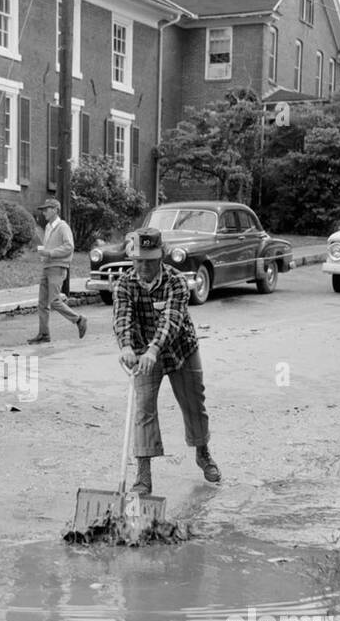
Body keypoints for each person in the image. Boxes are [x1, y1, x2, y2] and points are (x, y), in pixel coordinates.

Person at [112, 227, 220, 493]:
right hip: (143, 355)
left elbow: (171, 321)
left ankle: (202, 452)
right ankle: (143, 475)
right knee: (143, 409)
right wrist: (126, 346)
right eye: (139, 260)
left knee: (194, 402)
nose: (144, 266)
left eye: (149, 260)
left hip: (180, 350)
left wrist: (153, 350)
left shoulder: (177, 282)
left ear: (160, 257)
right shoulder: (125, 283)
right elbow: (122, 317)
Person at [29, 198, 87, 344]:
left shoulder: (63, 227)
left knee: (54, 301)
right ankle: (44, 334)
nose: (44, 212)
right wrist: (44, 253)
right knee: (42, 303)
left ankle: (79, 319)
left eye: (46, 209)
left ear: (55, 210)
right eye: (43, 210)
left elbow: (69, 247)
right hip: (47, 267)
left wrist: (50, 253)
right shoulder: (49, 227)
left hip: (57, 267)